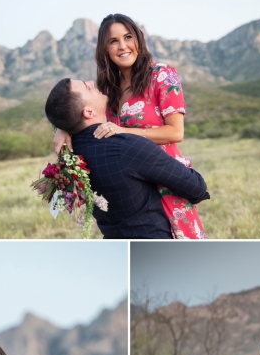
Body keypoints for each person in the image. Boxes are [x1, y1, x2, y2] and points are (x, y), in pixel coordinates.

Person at [54, 13, 207, 239]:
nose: (123, 46)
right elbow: (80, 110)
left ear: (138, 40)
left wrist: (125, 131)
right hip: (132, 190)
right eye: (113, 41)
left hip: (165, 178)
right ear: (104, 49)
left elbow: (176, 132)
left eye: (128, 37)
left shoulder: (162, 75)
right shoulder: (107, 89)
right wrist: (61, 128)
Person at [45, 77, 209, 239]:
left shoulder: (68, 156)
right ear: (88, 112)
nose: (91, 82)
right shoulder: (127, 147)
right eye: (86, 87)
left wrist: (62, 128)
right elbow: (197, 188)